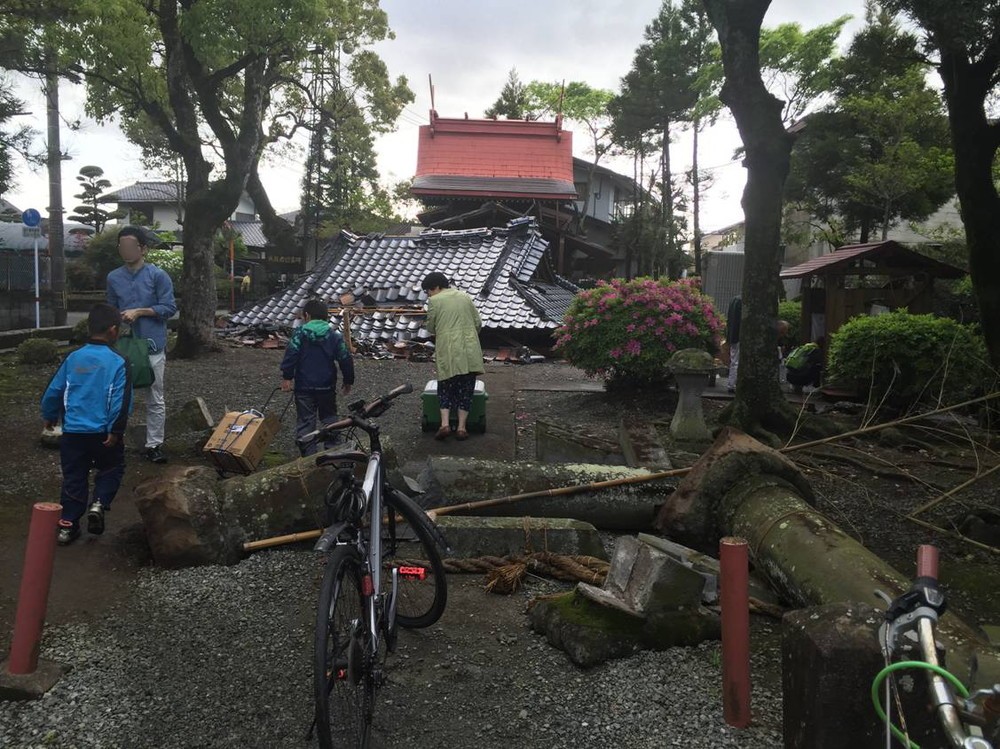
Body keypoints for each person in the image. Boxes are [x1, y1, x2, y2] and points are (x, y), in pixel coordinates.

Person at [41, 303, 132, 546]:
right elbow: (120, 400)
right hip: (103, 433)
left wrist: (49, 415)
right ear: (113, 330)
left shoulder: (73, 358)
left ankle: (67, 525)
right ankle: (99, 503)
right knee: (112, 468)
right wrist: (116, 430)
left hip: (73, 432)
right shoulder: (119, 361)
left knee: (74, 475)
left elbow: (54, 390)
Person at [106, 226, 177, 463]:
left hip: (152, 344)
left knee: (154, 396)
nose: (125, 251)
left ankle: (154, 444)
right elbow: (111, 308)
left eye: (130, 246)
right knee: (117, 394)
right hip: (123, 346)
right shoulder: (113, 277)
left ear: (143, 248)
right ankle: (112, 439)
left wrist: (141, 312)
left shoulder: (158, 275)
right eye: (121, 247)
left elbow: (169, 308)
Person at [280, 298, 355, 456]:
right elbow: (345, 358)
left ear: (306, 315)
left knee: (306, 421)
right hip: (327, 387)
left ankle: (310, 459)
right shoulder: (334, 336)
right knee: (330, 419)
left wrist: (287, 377)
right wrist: (348, 380)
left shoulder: (300, 334)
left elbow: (291, 354)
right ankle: (334, 454)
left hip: (304, 387)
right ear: (326, 317)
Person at [422, 272, 484, 441]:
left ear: (435, 287)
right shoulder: (465, 296)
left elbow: (431, 327)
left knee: (445, 386)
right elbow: (478, 323)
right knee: (466, 388)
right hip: (469, 349)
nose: (428, 295)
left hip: (448, 348)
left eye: (428, 291)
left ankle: (445, 425)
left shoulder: (434, 301)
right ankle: (462, 428)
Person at [725, 295, 741, 392]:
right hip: (739, 335)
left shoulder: (734, 299)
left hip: (733, 335)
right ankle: (732, 385)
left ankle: (731, 384)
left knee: (734, 360)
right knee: (736, 361)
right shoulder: (742, 301)